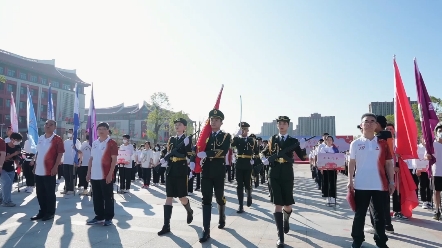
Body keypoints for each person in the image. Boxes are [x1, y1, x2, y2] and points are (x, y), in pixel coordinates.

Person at [348, 113, 395, 248]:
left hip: (379, 185)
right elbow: (351, 163)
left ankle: (381, 241)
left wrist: (391, 181)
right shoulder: (355, 143)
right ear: (361, 125)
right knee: (360, 214)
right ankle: (357, 239)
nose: (369, 123)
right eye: (366, 121)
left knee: (379, 216)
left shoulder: (382, 143)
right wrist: (350, 180)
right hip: (361, 184)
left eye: (372, 121)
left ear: (376, 125)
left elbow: (388, 164)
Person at [261, 116, 307, 248]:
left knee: (287, 204)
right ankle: (280, 237)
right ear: (277, 126)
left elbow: (303, 157)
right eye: (279, 123)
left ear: (288, 125)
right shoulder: (272, 139)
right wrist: (264, 158)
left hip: (287, 173)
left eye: (284, 123)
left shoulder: (293, 141)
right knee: (277, 204)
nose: (281, 126)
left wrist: (303, 147)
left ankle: (286, 219)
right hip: (274, 173)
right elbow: (263, 152)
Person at [196, 109, 231, 243]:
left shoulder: (226, 135)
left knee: (219, 197)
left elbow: (222, 151)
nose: (213, 122)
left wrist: (207, 154)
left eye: (216, 120)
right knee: (206, 199)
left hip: (218, 171)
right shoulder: (205, 135)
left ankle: (222, 216)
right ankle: (206, 230)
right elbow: (198, 148)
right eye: (212, 119)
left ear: (221, 122)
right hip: (206, 171)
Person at [158, 118, 194, 235]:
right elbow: (168, 152)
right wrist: (164, 158)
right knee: (169, 197)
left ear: (184, 127)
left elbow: (190, 154)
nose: (177, 126)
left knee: (181, 197)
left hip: (181, 169)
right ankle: (166, 225)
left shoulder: (187, 139)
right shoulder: (171, 139)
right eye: (176, 125)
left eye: (179, 125)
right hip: (171, 169)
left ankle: (189, 210)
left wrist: (188, 148)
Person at [31, 120, 65, 221]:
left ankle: (50, 213)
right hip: (39, 170)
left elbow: (60, 154)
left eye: (51, 125)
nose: (48, 126)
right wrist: (35, 165)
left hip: (49, 170)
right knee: (39, 192)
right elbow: (38, 153)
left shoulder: (57, 139)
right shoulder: (41, 138)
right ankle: (42, 211)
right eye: (46, 124)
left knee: (49, 192)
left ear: (55, 127)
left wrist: (55, 166)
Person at [86, 122, 118, 226]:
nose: (101, 131)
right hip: (95, 175)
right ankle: (99, 216)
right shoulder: (95, 143)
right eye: (99, 129)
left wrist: (110, 174)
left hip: (106, 175)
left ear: (108, 130)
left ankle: (108, 217)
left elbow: (114, 160)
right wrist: (88, 172)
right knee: (96, 196)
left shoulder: (112, 143)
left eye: (103, 129)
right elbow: (91, 159)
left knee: (108, 197)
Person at [231, 122, 256, 213]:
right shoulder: (237, 139)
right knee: (239, 185)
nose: (243, 131)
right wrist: (236, 135)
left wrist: (254, 160)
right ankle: (240, 205)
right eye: (241, 129)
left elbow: (256, 151)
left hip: (248, 164)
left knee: (248, 184)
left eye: (245, 129)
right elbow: (232, 144)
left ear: (248, 130)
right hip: (239, 164)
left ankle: (249, 195)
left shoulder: (251, 140)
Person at [0, 132, 22, 206]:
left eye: (19, 141)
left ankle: (3, 198)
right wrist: (13, 154)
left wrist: (18, 164)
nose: (18, 142)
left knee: (8, 185)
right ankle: (6, 202)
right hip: (2, 168)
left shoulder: (17, 148)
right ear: (12, 139)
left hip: (11, 168)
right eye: (17, 140)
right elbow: (3, 158)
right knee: (7, 182)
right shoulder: (4, 146)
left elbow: (16, 158)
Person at [425, 124, 442, 220]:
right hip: (436, 171)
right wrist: (427, 156)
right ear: (436, 133)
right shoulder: (432, 145)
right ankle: (437, 210)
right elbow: (426, 155)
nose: (441, 133)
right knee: (436, 192)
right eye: (439, 131)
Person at [318, 135, 339, 205]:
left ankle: (333, 197)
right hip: (326, 168)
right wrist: (321, 168)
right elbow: (321, 159)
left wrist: (338, 168)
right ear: (325, 141)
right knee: (326, 182)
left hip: (333, 169)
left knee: (333, 182)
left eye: (331, 140)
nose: (329, 141)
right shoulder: (323, 149)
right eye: (328, 140)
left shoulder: (335, 149)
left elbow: (339, 159)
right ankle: (327, 197)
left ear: (332, 141)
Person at [61, 128, 81, 195]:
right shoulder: (66, 141)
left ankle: (71, 189)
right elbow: (63, 152)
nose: (69, 133)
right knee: (66, 176)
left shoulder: (76, 141)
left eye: (70, 132)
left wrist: (77, 161)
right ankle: (66, 188)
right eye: (68, 132)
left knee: (71, 176)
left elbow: (80, 152)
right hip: (65, 161)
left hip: (72, 162)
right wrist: (62, 160)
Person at [416, 137, 432, 209]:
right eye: (424, 138)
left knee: (430, 186)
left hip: (430, 169)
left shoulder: (431, 147)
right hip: (421, 169)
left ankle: (429, 200)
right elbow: (416, 159)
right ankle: (424, 201)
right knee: (422, 185)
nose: (425, 140)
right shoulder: (418, 147)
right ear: (422, 139)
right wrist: (418, 169)